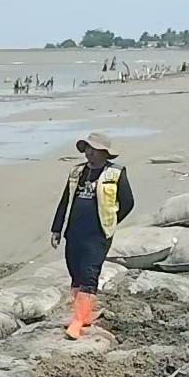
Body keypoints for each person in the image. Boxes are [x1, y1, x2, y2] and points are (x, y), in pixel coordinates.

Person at [50, 132, 134, 339]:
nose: (89, 153)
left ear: (105, 153)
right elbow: (65, 200)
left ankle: (78, 321)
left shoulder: (116, 173)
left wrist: (110, 222)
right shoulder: (77, 172)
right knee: (75, 273)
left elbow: (128, 203)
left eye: (94, 150)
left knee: (89, 274)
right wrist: (57, 229)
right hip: (74, 232)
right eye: (87, 149)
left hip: (97, 235)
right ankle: (83, 315)